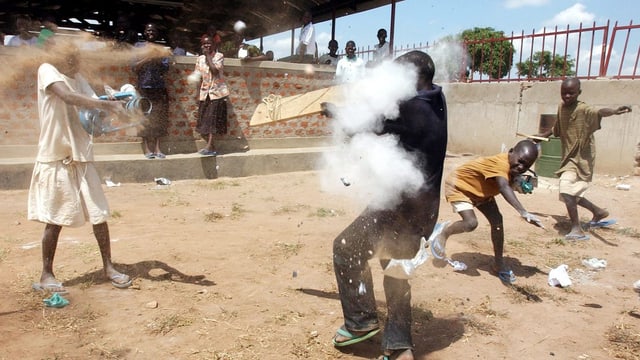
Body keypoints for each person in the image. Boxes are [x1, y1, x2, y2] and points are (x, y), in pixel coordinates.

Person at [331, 51, 448, 360]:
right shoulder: (436, 100)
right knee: (395, 270)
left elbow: (368, 127)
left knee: (345, 249)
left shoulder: (413, 110)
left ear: (413, 77)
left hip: (398, 211)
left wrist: (339, 115)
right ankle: (399, 347)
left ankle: (360, 324)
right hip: (423, 210)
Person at [29, 38, 132, 294]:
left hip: (82, 157)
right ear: (59, 56)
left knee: (99, 215)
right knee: (54, 220)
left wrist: (117, 110)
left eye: (77, 57)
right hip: (57, 157)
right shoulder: (47, 70)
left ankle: (109, 267)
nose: (76, 62)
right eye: (71, 57)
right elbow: (67, 97)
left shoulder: (78, 77)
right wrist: (107, 104)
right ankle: (46, 274)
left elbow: (93, 110)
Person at [430, 140, 543, 283]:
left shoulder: (512, 166)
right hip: (459, 186)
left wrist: (518, 183)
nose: (521, 167)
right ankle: (444, 232)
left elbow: (508, 181)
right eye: (520, 161)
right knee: (470, 223)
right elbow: (503, 186)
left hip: (482, 192)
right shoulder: (501, 163)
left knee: (497, 222)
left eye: (526, 166)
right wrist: (523, 212)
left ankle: (498, 263)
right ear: (511, 151)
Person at [536, 78, 632, 240]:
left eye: (571, 93)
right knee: (570, 193)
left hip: (581, 158)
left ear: (579, 93)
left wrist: (614, 111)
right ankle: (598, 211)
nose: (566, 96)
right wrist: (542, 137)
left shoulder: (583, 109)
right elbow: (557, 128)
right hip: (568, 157)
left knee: (566, 190)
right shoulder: (561, 107)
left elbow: (599, 112)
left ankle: (577, 229)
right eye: (563, 93)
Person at [134, 23, 170, 159]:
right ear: (144, 32)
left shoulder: (161, 49)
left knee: (159, 118)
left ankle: (157, 148)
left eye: (153, 30)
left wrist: (158, 57)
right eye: (148, 30)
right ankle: (147, 149)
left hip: (159, 88)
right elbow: (134, 68)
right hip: (143, 87)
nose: (151, 32)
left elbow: (166, 69)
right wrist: (147, 58)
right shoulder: (138, 47)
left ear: (157, 33)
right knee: (144, 117)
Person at [192, 34, 230, 156]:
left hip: (217, 93)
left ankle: (209, 147)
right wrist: (197, 94)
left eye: (209, 43)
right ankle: (211, 147)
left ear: (214, 44)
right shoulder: (199, 59)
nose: (206, 45)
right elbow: (198, 77)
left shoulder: (219, 56)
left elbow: (214, 71)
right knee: (204, 121)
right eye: (204, 43)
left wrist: (208, 56)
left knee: (213, 121)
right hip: (205, 93)